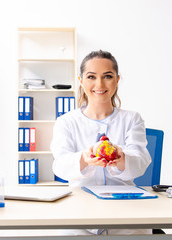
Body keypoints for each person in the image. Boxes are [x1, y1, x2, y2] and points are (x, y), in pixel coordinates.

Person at [50, 50, 151, 235]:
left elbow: (140, 163)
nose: (99, 84)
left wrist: (121, 158)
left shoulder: (132, 119)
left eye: (107, 76)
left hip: (126, 208)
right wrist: (84, 158)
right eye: (91, 77)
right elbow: (60, 165)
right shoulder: (66, 121)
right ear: (81, 80)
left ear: (117, 80)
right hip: (80, 207)